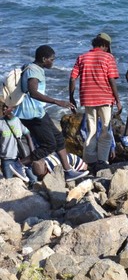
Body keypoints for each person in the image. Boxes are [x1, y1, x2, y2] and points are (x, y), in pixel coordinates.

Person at [11, 45, 88, 182]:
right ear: (44, 59)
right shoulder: (34, 71)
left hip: (38, 112)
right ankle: (19, 164)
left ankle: (68, 171)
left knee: (58, 138)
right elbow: (33, 92)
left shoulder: (31, 67)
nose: (53, 62)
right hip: (31, 114)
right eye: (51, 59)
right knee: (49, 145)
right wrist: (57, 101)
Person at [69, 33, 122, 172]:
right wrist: (118, 100)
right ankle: (102, 160)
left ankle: (89, 161)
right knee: (106, 129)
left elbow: (73, 78)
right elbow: (111, 80)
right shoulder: (108, 57)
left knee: (91, 129)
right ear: (105, 45)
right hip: (105, 98)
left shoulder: (82, 57)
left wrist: (71, 97)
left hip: (88, 99)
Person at [0, 98, 37, 185]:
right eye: (3, 107)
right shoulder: (0, 123)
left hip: (21, 158)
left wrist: (33, 153)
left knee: (34, 180)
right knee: (9, 183)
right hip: (6, 159)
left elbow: (28, 136)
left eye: (6, 107)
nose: (4, 109)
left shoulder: (18, 120)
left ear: (13, 108)